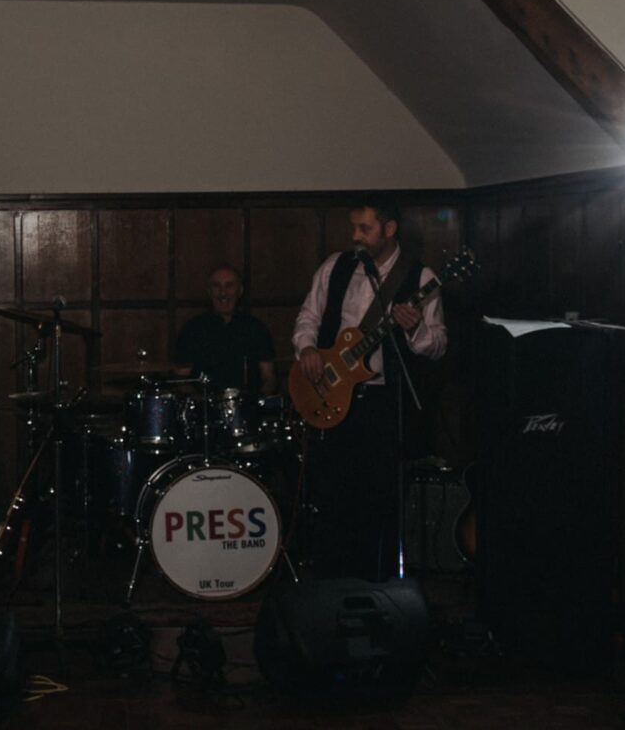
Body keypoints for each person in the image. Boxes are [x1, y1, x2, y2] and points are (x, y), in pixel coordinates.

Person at [291, 196, 446, 581]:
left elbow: (438, 345)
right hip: (332, 398)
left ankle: (377, 585)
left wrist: (414, 328)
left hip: (382, 404)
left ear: (390, 229)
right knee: (333, 497)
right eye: (354, 227)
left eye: (366, 228)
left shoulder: (419, 279)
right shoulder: (335, 266)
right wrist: (307, 348)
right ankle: (331, 582)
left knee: (378, 500)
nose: (356, 236)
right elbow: (309, 315)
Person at [172, 265, 277, 397]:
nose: (223, 293)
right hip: (204, 410)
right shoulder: (192, 329)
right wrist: (201, 402)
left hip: (247, 408)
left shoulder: (255, 328)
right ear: (209, 291)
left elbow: (269, 377)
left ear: (240, 291)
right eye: (216, 286)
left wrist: (256, 400)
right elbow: (181, 379)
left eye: (229, 286)